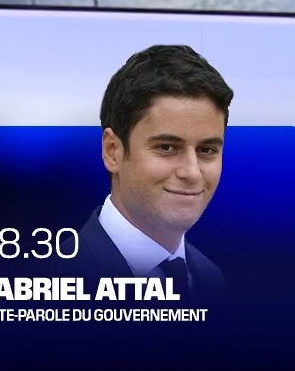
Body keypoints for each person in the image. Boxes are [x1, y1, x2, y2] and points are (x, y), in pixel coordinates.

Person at [76, 44, 230, 302]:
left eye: (207, 150)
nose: (192, 172)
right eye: (167, 147)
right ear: (112, 151)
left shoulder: (212, 280)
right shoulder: (50, 283)